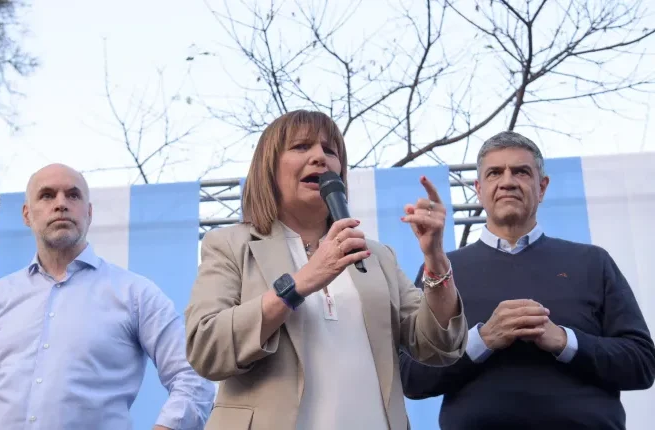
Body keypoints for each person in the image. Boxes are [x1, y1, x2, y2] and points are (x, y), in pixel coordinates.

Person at [183, 110, 468, 430]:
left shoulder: (377, 256)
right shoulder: (231, 245)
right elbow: (206, 346)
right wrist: (299, 284)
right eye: (302, 147)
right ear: (269, 168)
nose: (320, 157)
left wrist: (435, 259)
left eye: (330, 151)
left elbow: (440, 347)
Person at [399, 131, 655, 429]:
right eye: (495, 173)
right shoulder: (443, 271)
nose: (507, 181)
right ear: (478, 189)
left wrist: (564, 341)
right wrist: (483, 340)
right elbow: (412, 378)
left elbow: (641, 364)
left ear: (542, 187)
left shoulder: (592, 263)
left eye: (521, 171)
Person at [0, 164, 216, 430]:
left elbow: (194, 376)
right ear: (26, 214)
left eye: (73, 195)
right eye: (47, 195)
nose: (61, 204)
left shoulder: (135, 294)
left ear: (89, 213)